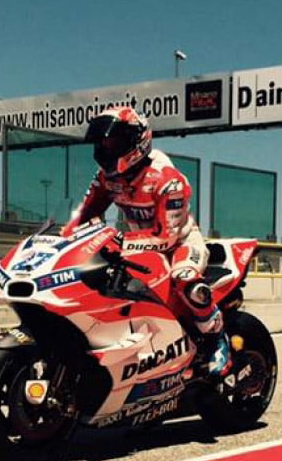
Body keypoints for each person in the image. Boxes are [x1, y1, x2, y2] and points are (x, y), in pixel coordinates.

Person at [61, 107, 231, 377]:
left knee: (184, 278)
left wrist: (118, 240)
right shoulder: (107, 178)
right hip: (136, 244)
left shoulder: (167, 179)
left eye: (114, 142)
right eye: (102, 143)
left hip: (180, 244)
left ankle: (216, 340)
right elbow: (83, 215)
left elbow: (166, 236)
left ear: (137, 141)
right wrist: (62, 240)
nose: (107, 148)